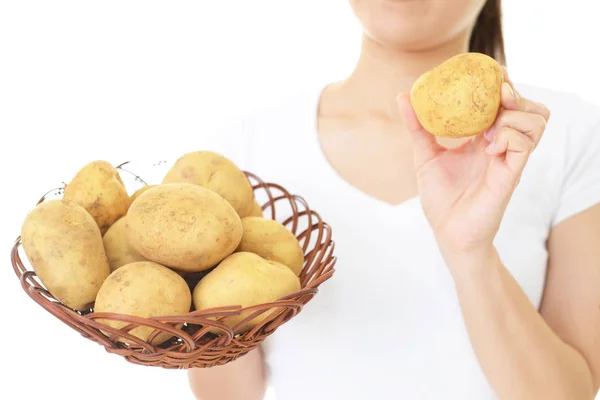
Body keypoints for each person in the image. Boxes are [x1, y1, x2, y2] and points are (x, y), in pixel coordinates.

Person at [189, 0, 600, 398]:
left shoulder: (564, 134)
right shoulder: (244, 150)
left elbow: (566, 395)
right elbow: (227, 395)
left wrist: (471, 255)